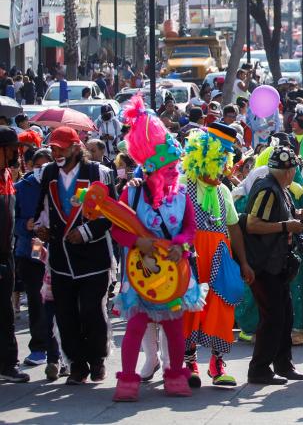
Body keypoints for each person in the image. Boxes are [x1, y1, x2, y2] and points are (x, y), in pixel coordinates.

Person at [111, 95, 204, 402]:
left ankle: (175, 375)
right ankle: (127, 380)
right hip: (141, 275)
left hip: (173, 275)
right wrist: (138, 241)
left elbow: (190, 227)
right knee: (136, 325)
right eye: (169, 168)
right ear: (153, 170)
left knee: (174, 328)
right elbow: (116, 228)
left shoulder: (182, 196)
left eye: (175, 167)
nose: (174, 172)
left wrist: (180, 245)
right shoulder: (132, 193)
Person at [32, 126, 115, 385]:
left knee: (92, 310)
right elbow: (42, 208)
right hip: (61, 258)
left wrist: (86, 231)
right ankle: (77, 364)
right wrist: (40, 228)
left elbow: (110, 215)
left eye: (61, 147)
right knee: (66, 315)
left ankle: (97, 360)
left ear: (76, 148)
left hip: (93, 257)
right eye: (53, 147)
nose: (56, 152)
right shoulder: (48, 173)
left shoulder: (98, 173)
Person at [181, 123, 254, 388]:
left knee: (222, 307)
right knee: (190, 307)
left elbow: (234, 227)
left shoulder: (224, 191)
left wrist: (243, 262)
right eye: (218, 158)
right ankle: (188, 361)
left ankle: (217, 362)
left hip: (220, 256)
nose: (223, 166)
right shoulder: (183, 184)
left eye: (225, 160)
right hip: (190, 255)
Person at [242, 145, 303, 385]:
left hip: (277, 265)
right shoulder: (267, 189)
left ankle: (283, 364)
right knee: (272, 318)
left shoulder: (280, 189)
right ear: (288, 170)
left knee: (285, 317)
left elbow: (278, 215)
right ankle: (259, 369)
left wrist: (296, 214)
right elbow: (252, 224)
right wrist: (285, 226)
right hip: (264, 265)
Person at [13, 148, 63, 380]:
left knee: (59, 303)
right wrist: (27, 224)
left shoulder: (61, 183)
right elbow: (13, 221)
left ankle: (61, 350)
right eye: (38, 166)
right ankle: (39, 347)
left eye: (47, 165)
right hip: (29, 252)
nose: (42, 171)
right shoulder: (21, 188)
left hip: (57, 251)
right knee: (36, 300)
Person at [0, 127, 29, 383]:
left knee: (5, 313)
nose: (16, 153)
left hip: (6, 255)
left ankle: (7, 364)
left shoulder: (8, 175)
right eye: (11, 148)